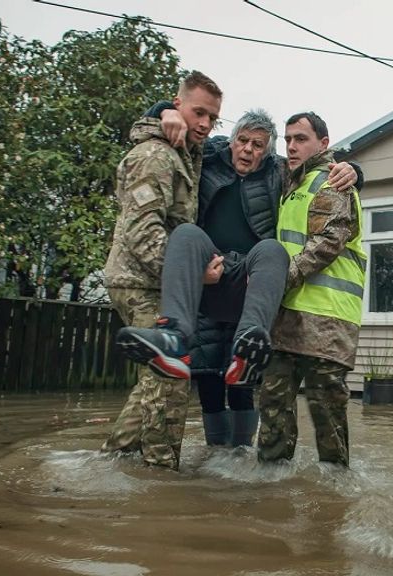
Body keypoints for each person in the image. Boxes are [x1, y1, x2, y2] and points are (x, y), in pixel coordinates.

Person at [116, 107, 360, 448]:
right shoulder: (210, 157)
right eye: (242, 141)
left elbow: (317, 168)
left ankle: (241, 447)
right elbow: (175, 133)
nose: (248, 150)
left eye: (258, 145)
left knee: (243, 374)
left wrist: (353, 169)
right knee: (207, 374)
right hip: (209, 279)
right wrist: (163, 111)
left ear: (268, 151)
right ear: (230, 141)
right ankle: (172, 336)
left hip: (252, 286)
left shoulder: (280, 173)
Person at [102, 71, 223, 469]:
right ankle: (161, 474)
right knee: (171, 374)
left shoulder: (185, 150)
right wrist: (187, 277)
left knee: (156, 377)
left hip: (154, 282)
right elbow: (142, 231)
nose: (205, 124)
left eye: (213, 117)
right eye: (198, 112)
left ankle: (113, 459)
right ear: (178, 105)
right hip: (139, 281)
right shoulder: (156, 155)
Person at [258, 112, 365, 467]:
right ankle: (270, 489)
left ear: (323, 143)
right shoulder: (290, 185)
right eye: (288, 139)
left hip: (328, 319)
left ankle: (334, 499)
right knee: (273, 407)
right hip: (287, 314)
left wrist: (278, 280)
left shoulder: (331, 181)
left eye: (300, 139)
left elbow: (327, 242)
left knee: (327, 416)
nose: (291, 146)